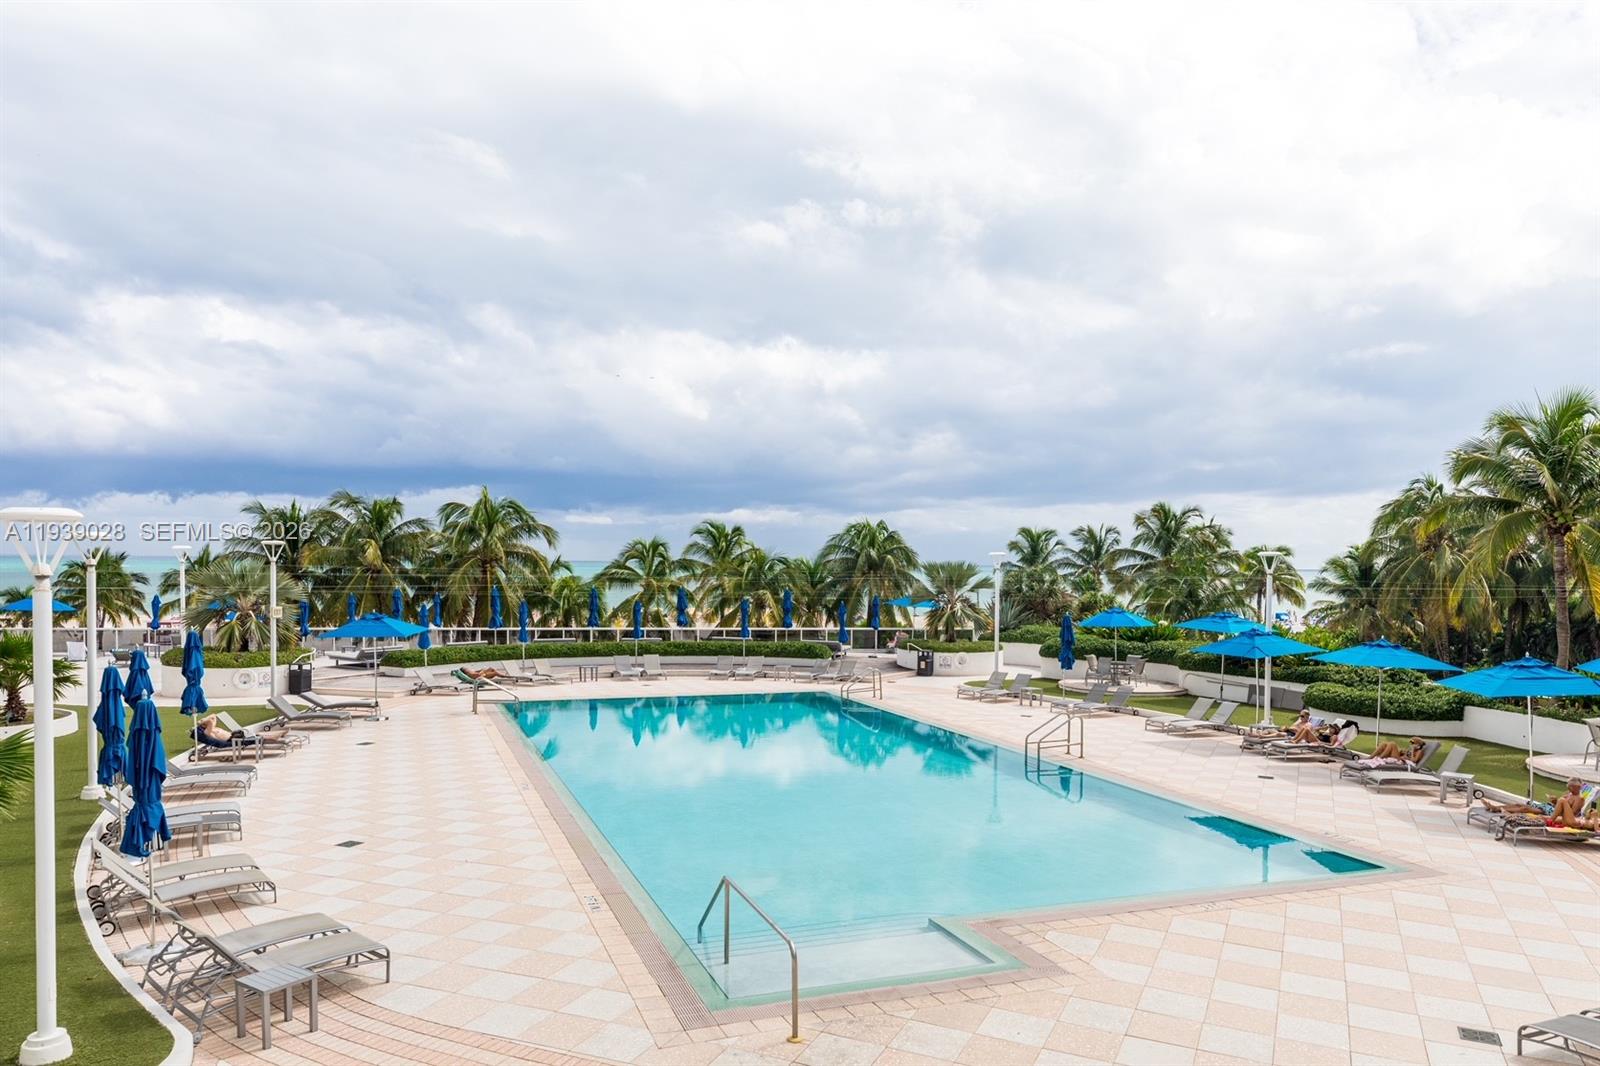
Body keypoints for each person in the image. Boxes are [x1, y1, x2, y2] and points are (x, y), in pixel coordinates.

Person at [1351, 737, 1427, 770]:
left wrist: (1412, 751)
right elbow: (1404, 755)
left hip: (1402, 762)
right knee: (1384, 744)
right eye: (1411, 743)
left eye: (1413, 743)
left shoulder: (1419, 751)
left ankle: (1379, 758)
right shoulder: (1411, 749)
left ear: (1418, 745)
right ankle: (1371, 757)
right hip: (1400, 758)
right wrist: (1402, 752)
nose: (1411, 744)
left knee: (1392, 744)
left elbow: (1414, 761)